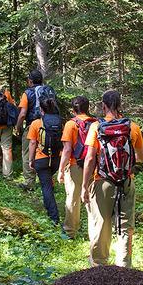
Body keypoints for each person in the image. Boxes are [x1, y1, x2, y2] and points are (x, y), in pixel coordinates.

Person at [81, 90, 143, 268]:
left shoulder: (96, 127)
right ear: (120, 104)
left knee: (101, 223)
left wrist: (84, 186)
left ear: (103, 106)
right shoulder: (133, 127)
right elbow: (141, 157)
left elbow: (89, 159)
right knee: (125, 227)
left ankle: (99, 264)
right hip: (126, 181)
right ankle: (124, 266)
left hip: (102, 180)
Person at [58, 96, 96, 239]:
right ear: (87, 108)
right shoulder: (96, 123)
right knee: (92, 199)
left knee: (73, 199)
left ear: (73, 109)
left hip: (76, 166)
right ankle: (94, 232)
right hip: (93, 166)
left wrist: (61, 169)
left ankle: (70, 232)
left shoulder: (70, 124)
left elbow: (67, 150)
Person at [16, 69, 57, 191]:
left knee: (28, 153)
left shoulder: (27, 93)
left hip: (32, 125)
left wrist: (18, 127)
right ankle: (47, 180)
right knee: (45, 151)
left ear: (30, 81)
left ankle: (29, 182)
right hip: (48, 124)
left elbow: (23, 114)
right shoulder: (48, 91)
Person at [27, 97, 63, 225]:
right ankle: (50, 206)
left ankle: (53, 217)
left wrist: (30, 160)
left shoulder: (36, 123)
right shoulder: (59, 122)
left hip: (41, 159)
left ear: (41, 110)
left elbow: (32, 142)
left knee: (46, 187)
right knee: (48, 183)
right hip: (56, 159)